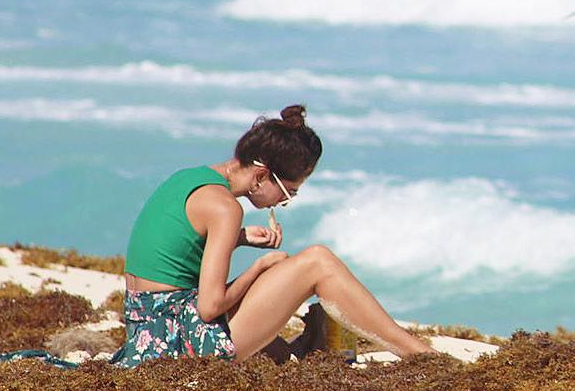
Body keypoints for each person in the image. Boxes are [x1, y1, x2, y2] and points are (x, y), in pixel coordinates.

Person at [119, 104, 436, 365]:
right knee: (318, 262)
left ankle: (311, 345)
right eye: (289, 192)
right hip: (176, 345)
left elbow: (177, 252)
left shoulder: (192, 179)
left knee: (281, 350)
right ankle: (421, 355)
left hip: (147, 334)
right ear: (261, 176)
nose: (284, 202)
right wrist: (259, 267)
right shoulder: (226, 208)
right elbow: (210, 307)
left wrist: (239, 239)